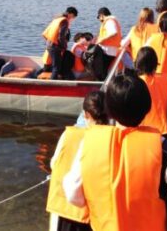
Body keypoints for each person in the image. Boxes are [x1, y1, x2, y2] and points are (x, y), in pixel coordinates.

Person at [63, 74, 167, 231]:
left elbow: (73, 195)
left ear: (109, 111)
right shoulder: (164, 150)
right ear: (146, 109)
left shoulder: (88, 144)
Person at [47, 91, 108, 231]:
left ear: (86, 114)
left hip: (64, 209)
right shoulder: (108, 139)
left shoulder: (69, 134)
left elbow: (54, 163)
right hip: (92, 214)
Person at [135, 47, 167, 135]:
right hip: (164, 129)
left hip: (143, 130)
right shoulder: (166, 78)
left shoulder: (137, 83)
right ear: (155, 63)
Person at [42, 7, 78, 80]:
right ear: (70, 14)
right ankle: (51, 85)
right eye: (73, 17)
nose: (72, 19)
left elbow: (46, 33)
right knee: (56, 68)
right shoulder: (64, 21)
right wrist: (64, 46)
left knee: (55, 66)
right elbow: (61, 36)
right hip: (55, 47)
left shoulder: (57, 19)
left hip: (49, 44)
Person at [96, 7, 122, 78]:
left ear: (102, 15)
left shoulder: (109, 21)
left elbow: (113, 32)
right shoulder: (112, 21)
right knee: (104, 69)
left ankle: (101, 83)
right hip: (110, 49)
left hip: (108, 50)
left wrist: (101, 40)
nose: (99, 20)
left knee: (102, 69)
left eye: (99, 17)